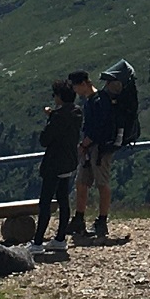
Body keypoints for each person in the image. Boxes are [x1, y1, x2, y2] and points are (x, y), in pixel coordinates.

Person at [73, 67, 126, 240]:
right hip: (90, 148)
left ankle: (102, 220)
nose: (75, 91)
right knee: (81, 182)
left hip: (100, 149)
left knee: (102, 183)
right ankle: (79, 218)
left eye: (76, 86)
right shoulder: (92, 100)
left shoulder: (99, 100)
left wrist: (86, 142)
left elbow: (100, 127)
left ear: (83, 84)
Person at [34, 80, 80, 246]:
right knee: (63, 199)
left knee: (45, 202)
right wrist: (53, 115)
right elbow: (65, 123)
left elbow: (45, 139)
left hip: (54, 162)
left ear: (59, 96)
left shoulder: (58, 117)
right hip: (69, 160)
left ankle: (38, 242)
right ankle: (60, 238)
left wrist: (51, 119)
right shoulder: (77, 112)